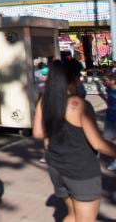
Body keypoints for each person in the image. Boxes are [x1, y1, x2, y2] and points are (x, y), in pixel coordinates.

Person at [33, 60, 116, 222]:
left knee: (72, 216)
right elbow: (97, 143)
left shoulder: (44, 101)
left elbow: (38, 133)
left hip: (56, 167)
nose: (81, 80)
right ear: (73, 79)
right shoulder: (79, 105)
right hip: (81, 170)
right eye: (79, 76)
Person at [101, 72, 116, 171]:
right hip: (109, 117)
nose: (103, 82)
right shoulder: (108, 89)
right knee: (107, 139)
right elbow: (109, 101)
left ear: (113, 81)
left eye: (105, 80)